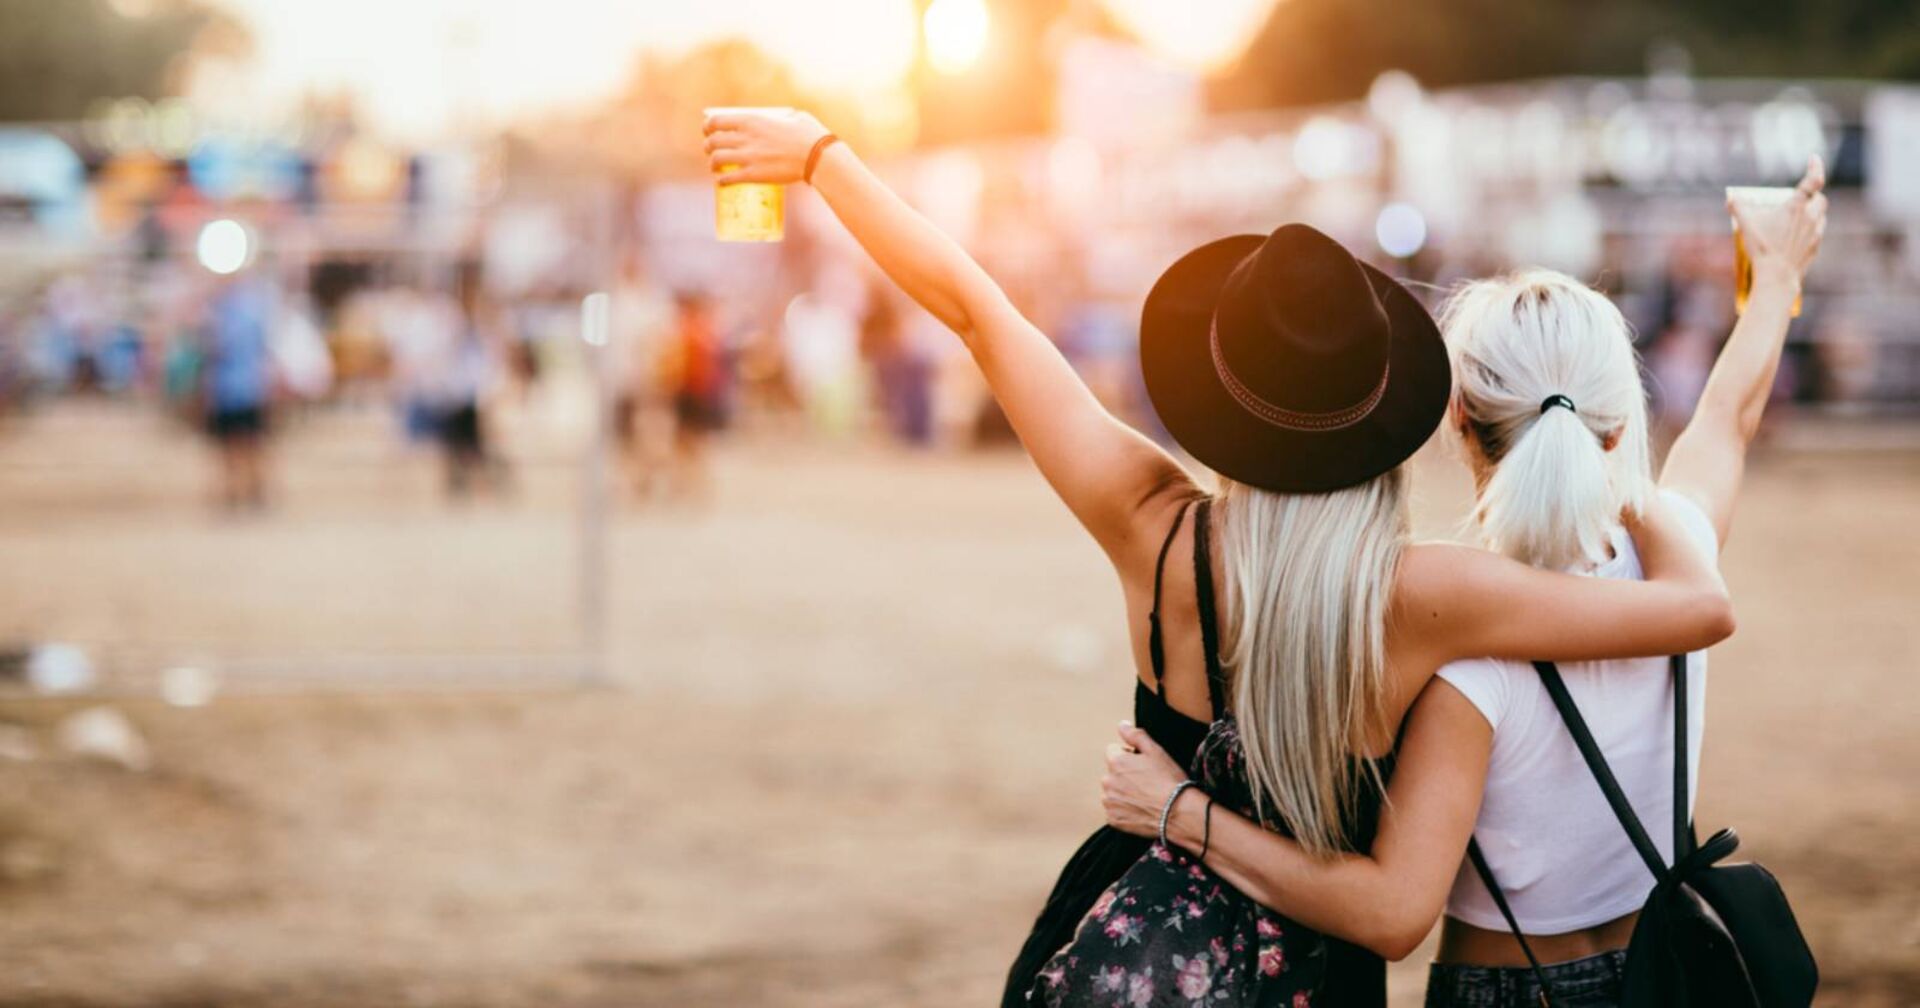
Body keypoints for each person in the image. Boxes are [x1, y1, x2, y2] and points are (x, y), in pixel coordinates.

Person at [703, 110, 1736, 1008]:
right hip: (1314, 972)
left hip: (1132, 940)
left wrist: (822, 156)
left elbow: (979, 310)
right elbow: (1695, 611)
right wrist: (1611, 450)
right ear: (1386, 416)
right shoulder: (1428, 594)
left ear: (1216, 390)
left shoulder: (1146, 519)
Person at [1097, 164, 1827, 1007]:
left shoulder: (1463, 651)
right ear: (1617, 423)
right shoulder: (1673, 557)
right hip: (1669, 973)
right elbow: (1726, 423)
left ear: (1456, 420)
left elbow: (1391, 908)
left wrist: (1181, 810)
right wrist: (1776, 276)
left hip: (1509, 988)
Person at [200, 273, 277, 511]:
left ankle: (243, 493)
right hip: (245, 387)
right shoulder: (250, 310)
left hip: (236, 388)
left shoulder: (225, 314)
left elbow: (216, 349)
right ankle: (250, 492)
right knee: (247, 444)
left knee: (236, 445)